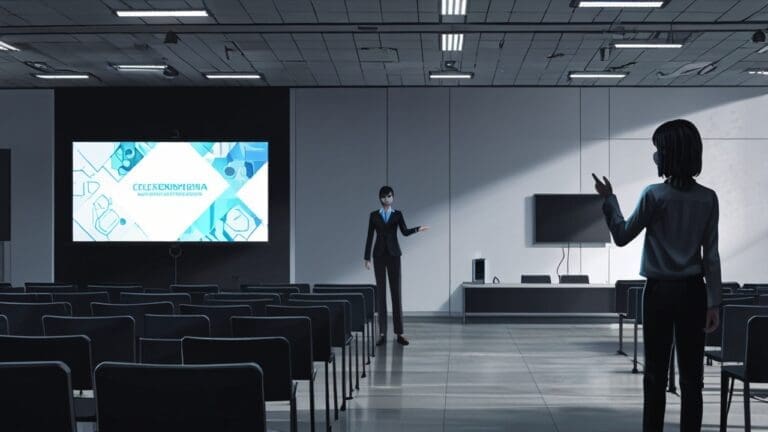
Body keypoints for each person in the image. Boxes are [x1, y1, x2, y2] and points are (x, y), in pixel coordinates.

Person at [592, 119, 721, 432]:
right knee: (692, 380)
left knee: (655, 375)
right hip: (694, 293)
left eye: (658, 150)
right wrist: (713, 303)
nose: (655, 156)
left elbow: (622, 235)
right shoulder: (708, 198)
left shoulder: (655, 195)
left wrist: (609, 200)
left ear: (670, 154)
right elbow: (711, 255)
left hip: (659, 293)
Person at [364, 186, 429, 346]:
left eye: (389, 196)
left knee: (396, 293)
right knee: (380, 294)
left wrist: (418, 229)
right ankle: (382, 333)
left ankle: (399, 333)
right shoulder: (373, 215)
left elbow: (404, 232)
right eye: (384, 197)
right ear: (380, 198)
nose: (386, 199)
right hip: (378, 255)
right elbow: (369, 236)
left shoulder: (397, 214)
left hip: (394, 255)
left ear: (393, 197)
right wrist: (366, 257)